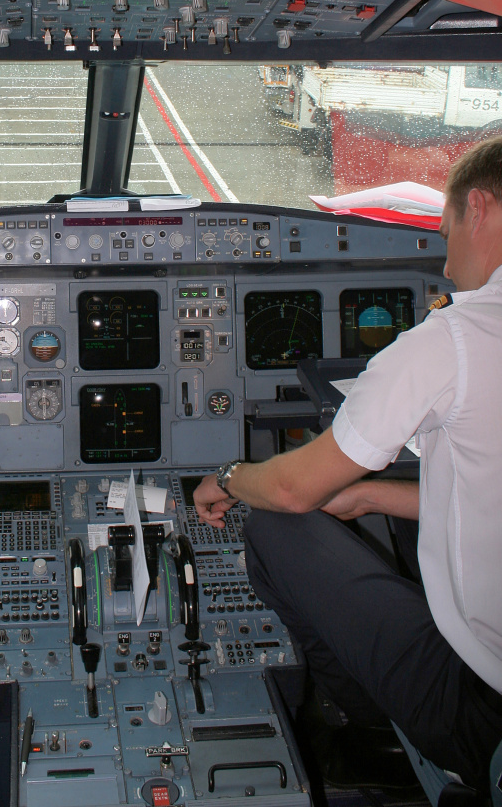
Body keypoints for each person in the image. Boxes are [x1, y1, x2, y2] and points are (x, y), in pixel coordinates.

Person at [193, 136, 502, 790]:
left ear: (479, 208)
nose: (446, 265)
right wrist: (367, 497)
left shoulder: (455, 338)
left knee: (275, 526)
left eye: (445, 233)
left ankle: (365, 731)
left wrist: (227, 479)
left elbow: (292, 490)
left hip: (482, 710)